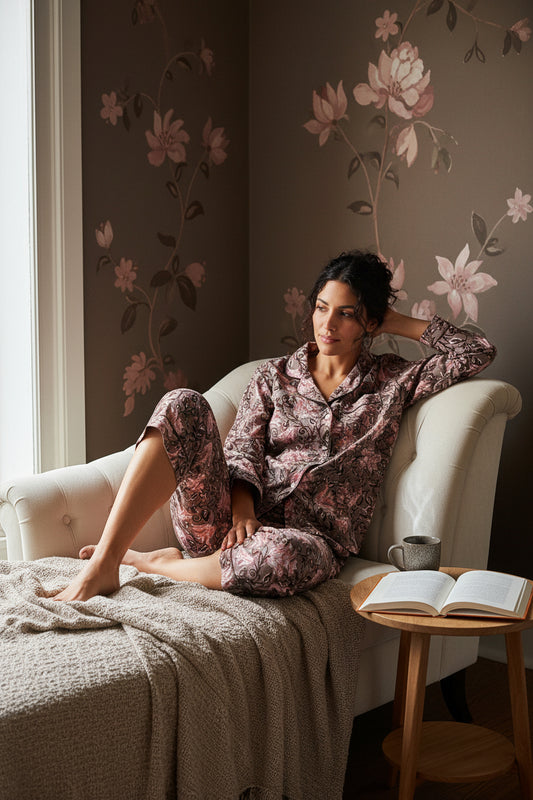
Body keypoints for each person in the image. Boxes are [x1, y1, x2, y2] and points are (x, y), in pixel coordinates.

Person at [55, 250, 496, 602]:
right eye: (322, 308)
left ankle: (155, 564)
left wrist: (388, 318)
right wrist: (243, 510)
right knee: (181, 403)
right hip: (226, 523)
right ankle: (107, 562)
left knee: (284, 555)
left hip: (308, 540)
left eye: (346, 313)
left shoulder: (394, 380)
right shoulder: (272, 376)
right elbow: (242, 447)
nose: (328, 323)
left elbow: (476, 351)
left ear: (369, 322)